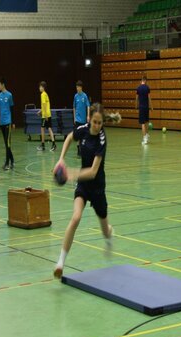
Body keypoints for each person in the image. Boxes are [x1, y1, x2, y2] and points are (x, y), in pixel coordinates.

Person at [52, 103, 121, 279]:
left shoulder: (102, 140)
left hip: (97, 187)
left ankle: (109, 236)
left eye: (100, 123)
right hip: (83, 185)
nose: (97, 126)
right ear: (89, 119)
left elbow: (92, 172)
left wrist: (71, 174)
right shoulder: (83, 129)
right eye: (94, 122)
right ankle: (60, 263)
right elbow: (69, 138)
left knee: (105, 230)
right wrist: (61, 160)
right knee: (75, 218)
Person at [37, 81, 56, 152]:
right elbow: (45, 106)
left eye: (40, 87)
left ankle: (43, 145)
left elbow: (44, 105)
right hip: (48, 114)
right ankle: (53, 144)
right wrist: (40, 111)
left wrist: (44, 115)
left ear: (43, 87)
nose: (39, 88)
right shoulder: (45, 94)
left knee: (42, 129)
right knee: (49, 128)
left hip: (45, 116)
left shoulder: (42, 94)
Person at [73, 80, 90, 156]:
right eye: (76, 87)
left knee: (83, 134)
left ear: (81, 87)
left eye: (78, 87)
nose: (77, 88)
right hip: (77, 119)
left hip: (83, 119)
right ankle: (78, 150)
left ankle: (83, 149)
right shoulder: (75, 96)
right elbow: (74, 107)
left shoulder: (84, 96)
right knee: (78, 134)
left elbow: (88, 106)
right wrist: (74, 117)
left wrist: (88, 115)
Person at [136, 75, 153, 144]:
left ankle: (144, 138)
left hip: (141, 107)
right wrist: (151, 106)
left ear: (141, 80)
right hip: (146, 107)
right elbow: (149, 98)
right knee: (147, 121)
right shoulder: (147, 88)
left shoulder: (138, 88)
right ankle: (147, 135)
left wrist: (136, 105)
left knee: (142, 123)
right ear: (145, 81)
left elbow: (137, 98)